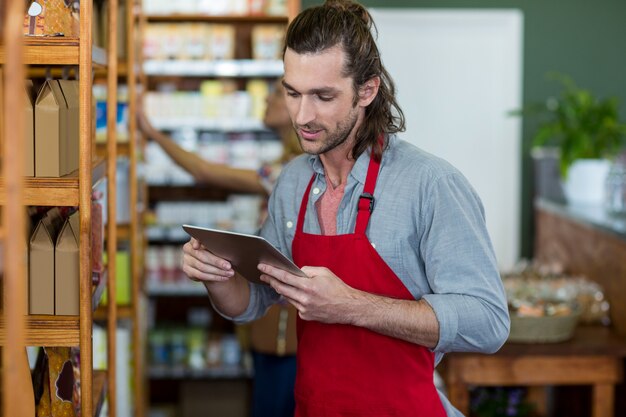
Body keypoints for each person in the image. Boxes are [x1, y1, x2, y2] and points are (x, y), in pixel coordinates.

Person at [182, 1, 510, 416]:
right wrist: (215, 275)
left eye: (323, 96)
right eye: (293, 93)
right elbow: (251, 302)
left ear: (367, 90)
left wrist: (350, 305)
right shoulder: (293, 182)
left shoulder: (431, 184)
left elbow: (489, 322)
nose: (303, 115)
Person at [138, 82, 299, 417]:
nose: (267, 98)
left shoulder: (290, 172)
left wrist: (151, 132)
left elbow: (203, 170)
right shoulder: (283, 166)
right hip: (273, 324)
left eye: (277, 93)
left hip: (286, 332)